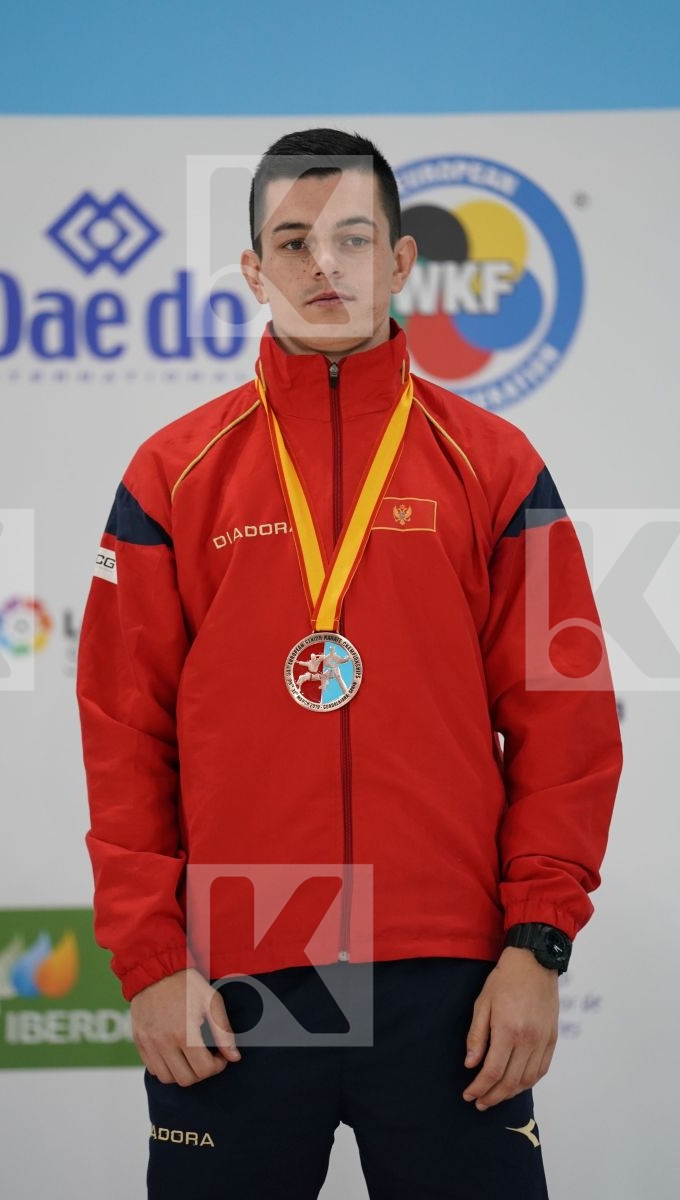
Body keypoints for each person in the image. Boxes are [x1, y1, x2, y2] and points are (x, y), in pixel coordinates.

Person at [76, 128, 623, 1198]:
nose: (323, 267)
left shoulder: (496, 466)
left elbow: (566, 719)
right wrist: (148, 958)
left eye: (352, 239)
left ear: (401, 261)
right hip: (237, 979)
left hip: (447, 976)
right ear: (253, 270)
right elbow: (121, 730)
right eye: (293, 241)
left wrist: (535, 946)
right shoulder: (171, 474)